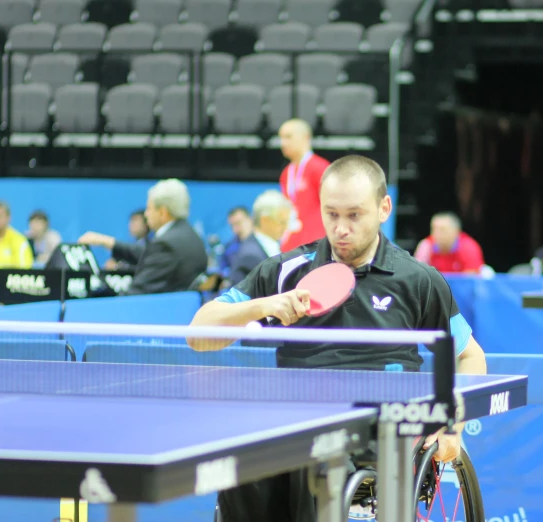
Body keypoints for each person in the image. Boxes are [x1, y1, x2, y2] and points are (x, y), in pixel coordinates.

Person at [188, 155, 487, 522]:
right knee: (239, 462)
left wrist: (449, 419)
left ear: (383, 208)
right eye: (331, 214)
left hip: (381, 426)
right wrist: (265, 305)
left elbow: (471, 356)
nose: (341, 228)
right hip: (295, 415)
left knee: (317, 459)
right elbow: (199, 335)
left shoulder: (418, 280)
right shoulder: (287, 271)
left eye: (354, 215)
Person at [78, 179, 208, 295]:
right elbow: (149, 255)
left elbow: (137, 293)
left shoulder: (166, 245)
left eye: (149, 208)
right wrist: (108, 242)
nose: (146, 215)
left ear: (163, 212)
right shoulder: (188, 235)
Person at [277, 118, 330, 253]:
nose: (283, 143)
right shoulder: (286, 173)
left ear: (306, 137)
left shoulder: (320, 168)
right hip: (292, 244)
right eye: (281, 138)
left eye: (288, 137)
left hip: (316, 245)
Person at [229, 190, 292, 286]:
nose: (285, 227)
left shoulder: (265, 247)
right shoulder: (250, 256)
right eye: (281, 222)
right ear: (265, 220)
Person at [413, 212, 485, 273]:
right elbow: (418, 275)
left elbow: (470, 280)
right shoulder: (426, 245)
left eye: (443, 230)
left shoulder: (468, 247)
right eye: (434, 229)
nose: (437, 234)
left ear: (456, 231)